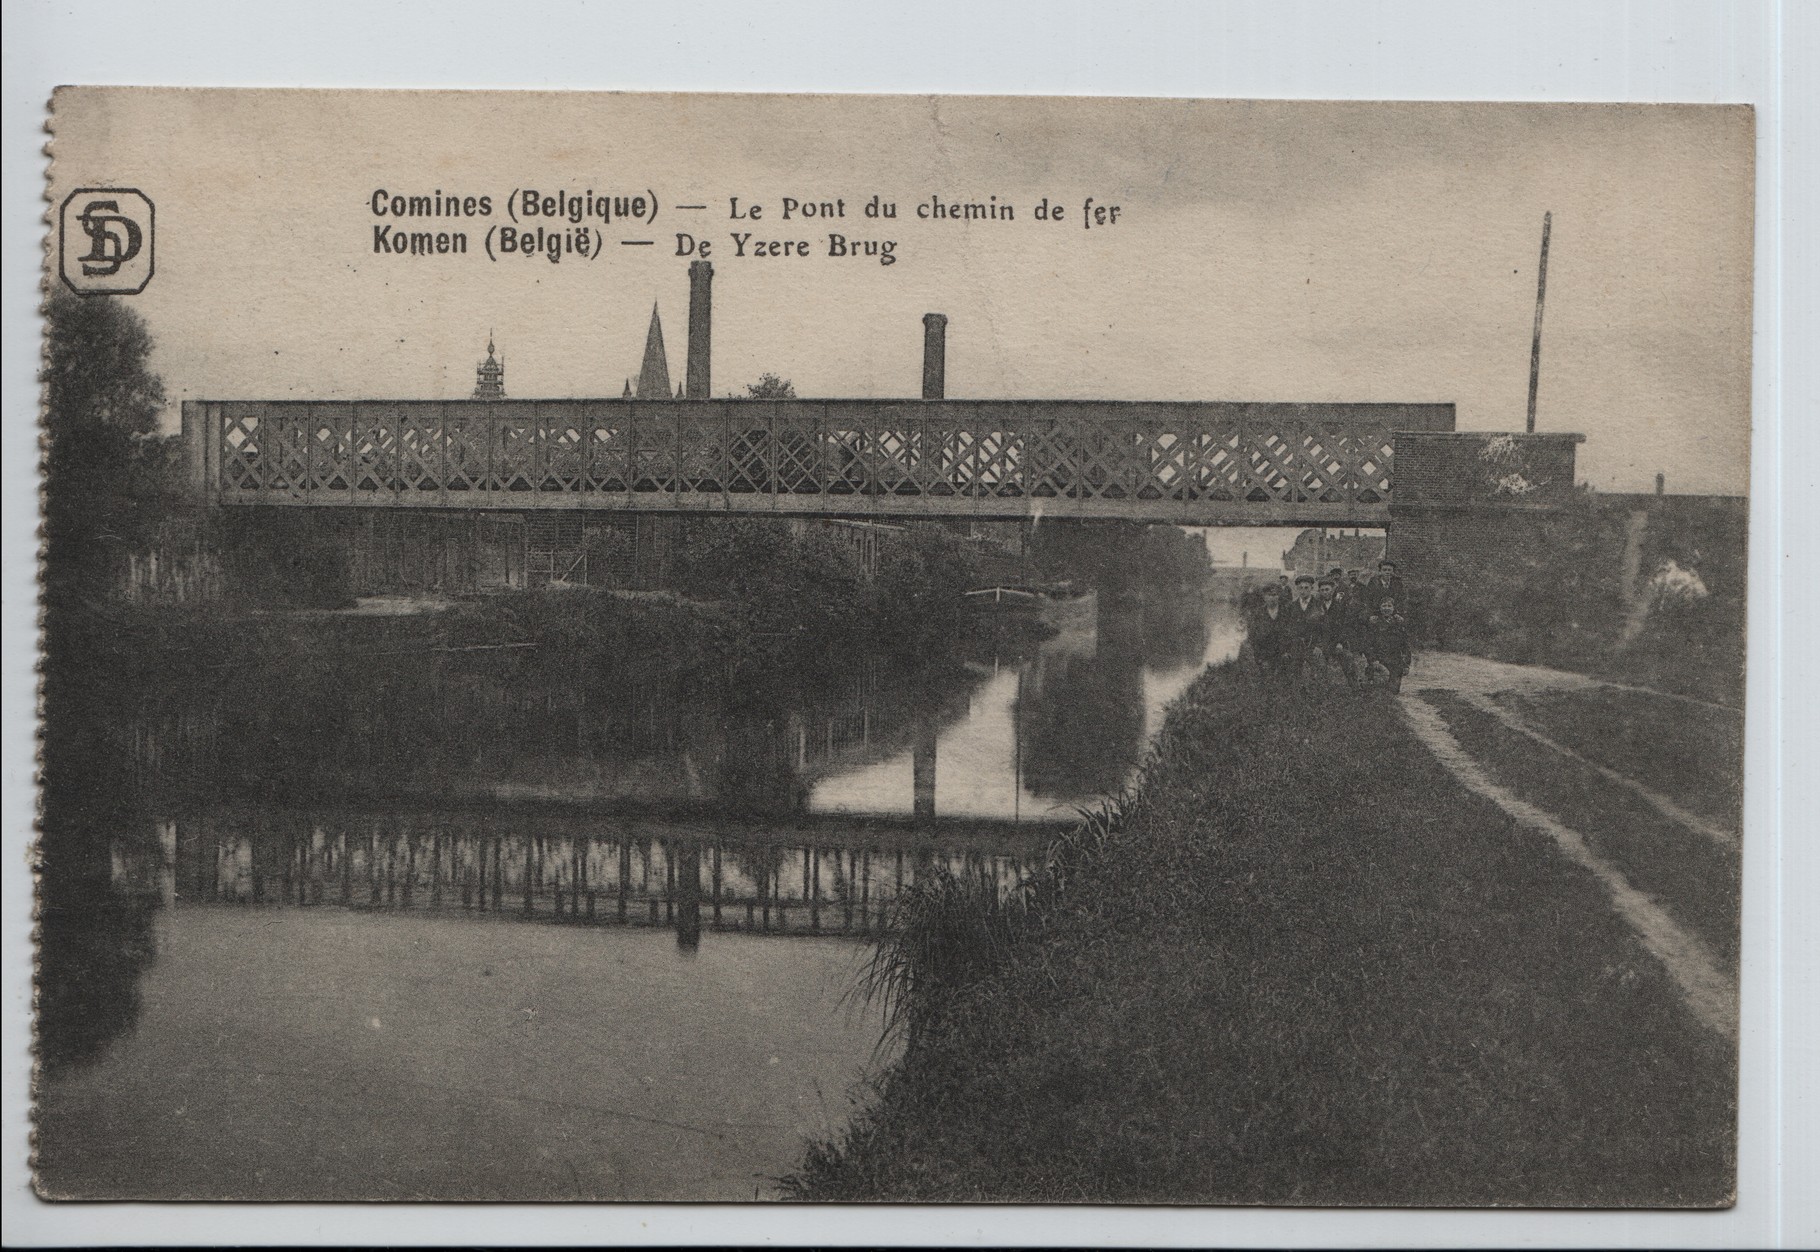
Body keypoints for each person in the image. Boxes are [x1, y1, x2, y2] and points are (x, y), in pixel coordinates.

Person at [1365, 596, 1411, 692]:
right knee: (1380, 688)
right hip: (1380, 661)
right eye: (1384, 606)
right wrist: (1373, 660)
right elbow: (1368, 644)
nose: (1386, 608)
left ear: (1393, 609)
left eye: (1389, 606)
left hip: (1395, 662)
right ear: (1380, 608)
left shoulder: (1399, 623)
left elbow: (1405, 646)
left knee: (1393, 690)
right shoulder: (1374, 623)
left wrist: (1406, 665)